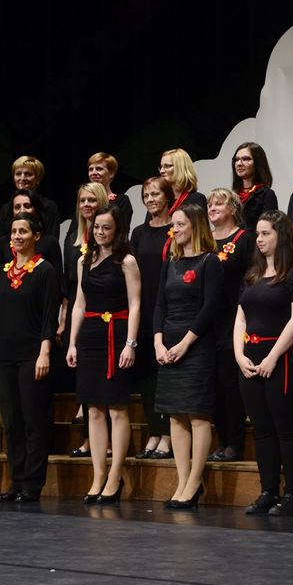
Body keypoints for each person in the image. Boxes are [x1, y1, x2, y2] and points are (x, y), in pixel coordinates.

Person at [235, 210, 293, 516]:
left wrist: (272, 357)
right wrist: (239, 355)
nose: (260, 239)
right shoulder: (252, 274)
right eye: (258, 233)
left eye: (266, 233)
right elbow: (240, 318)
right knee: (262, 429)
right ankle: (268, 490)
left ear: (281, 236)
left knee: (286, 429)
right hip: (250, 358)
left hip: (282, 358)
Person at [0, 212, 62, 503]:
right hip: (4, 355)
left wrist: (44, 353)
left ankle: (32, 483)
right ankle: (15, 481)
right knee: (12, 422)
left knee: (33, 421)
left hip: (32, 355)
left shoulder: (45, 271)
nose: (17, 236)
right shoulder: (3, 272)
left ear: (36, 236)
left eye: (23, 232)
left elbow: (49, 318)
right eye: (14, 232)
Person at [66, 206, 141, 504]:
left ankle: (115, 475)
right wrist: (72, 343)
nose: (100, 232)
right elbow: (79, 303)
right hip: (91, 336)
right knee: (93, 408)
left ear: (117, 230)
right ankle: (98, 475)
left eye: (106, 227)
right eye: (96, 227)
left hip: (117, 334)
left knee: (116, 408)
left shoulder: (127, 261)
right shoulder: (84, 260)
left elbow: (135, 304)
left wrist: (130, 344)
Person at [153, 203, 225, 508]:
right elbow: (159, 305)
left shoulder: (210, 262)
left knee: (197, 415)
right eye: (173, 225)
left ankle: (195, 482)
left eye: (180, 224)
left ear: (195, 225)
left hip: (196, 347)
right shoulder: (171, 262)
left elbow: (210, 307)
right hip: (169, 346)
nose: (175, 230)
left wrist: (185, 343)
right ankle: (182, 481)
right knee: (175, 415)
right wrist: (158, 342)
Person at [61, 182, 109, 449]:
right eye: (82, 201)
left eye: (92, 200)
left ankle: (103, 441)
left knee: (102, 381)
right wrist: (63, 318)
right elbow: (70, 285)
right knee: (83, 376)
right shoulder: (73, 239)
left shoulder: (109, 238)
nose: (87, 205)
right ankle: (89, 440)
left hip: (103, 313)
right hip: (78, 310)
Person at [207, 188, 254, 462]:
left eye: (219, 204)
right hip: (207, 322)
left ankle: (234, 443)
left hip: (233, 319)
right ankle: (222, 441)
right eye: (210, 204)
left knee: (229, 384)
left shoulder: (244, 239)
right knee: (213, 386)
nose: (212, 208)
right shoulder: (204, 239)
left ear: (233, 208)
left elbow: (251, 276)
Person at [130, 177, 175, 459]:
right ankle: (154, 431)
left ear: (168, 196)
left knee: (166, 378)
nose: (150, 199)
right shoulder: (138, 233)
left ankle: (169, 435)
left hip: (170, 311)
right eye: (146, 195)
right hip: (144, 311)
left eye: (155, 194)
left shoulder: (176, 230)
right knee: (148, 379)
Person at [0, 156, 61, 246]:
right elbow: (0, 243)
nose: (22, 178)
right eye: (18, 174)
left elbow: (52, 242)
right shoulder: (6, 208)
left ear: (37, 179)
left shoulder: (49, 206)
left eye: (28, 174)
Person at [231, 142, 278, 229]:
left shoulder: (267, 195)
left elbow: (269, 229)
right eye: (236, 160)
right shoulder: (231, 195)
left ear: (257, 162)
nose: (239, 163)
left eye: (245, 159)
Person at [87, 151, 134, 228]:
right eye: (91, 169)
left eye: (99, 169)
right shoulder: (84, 201)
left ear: (111, 174)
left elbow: (122, 232)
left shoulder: (121, 201)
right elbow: (72, 233)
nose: (93, 173)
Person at [159, 148, 207, 217]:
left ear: (181, 168)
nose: (161, 171)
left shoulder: (196, 199)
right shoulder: (159, 201)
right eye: (161, 167)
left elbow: (198, 224)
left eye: (167, 166)